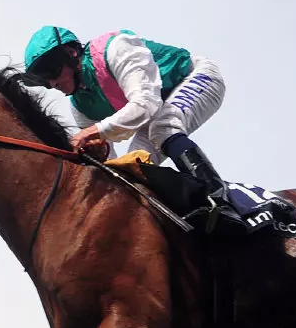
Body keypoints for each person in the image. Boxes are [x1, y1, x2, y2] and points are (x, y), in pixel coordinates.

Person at [24, 25, 241, 229]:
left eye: (50, 71)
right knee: (132, 167)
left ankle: (219, 201)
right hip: (158, 109)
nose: (51, 84)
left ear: (72, 53)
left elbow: (146, 104)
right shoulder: (80, 107)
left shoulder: (117, 47)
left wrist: (93, 131)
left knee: (164, 127)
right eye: (43, 81)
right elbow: (108, 164)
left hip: (196, 76)